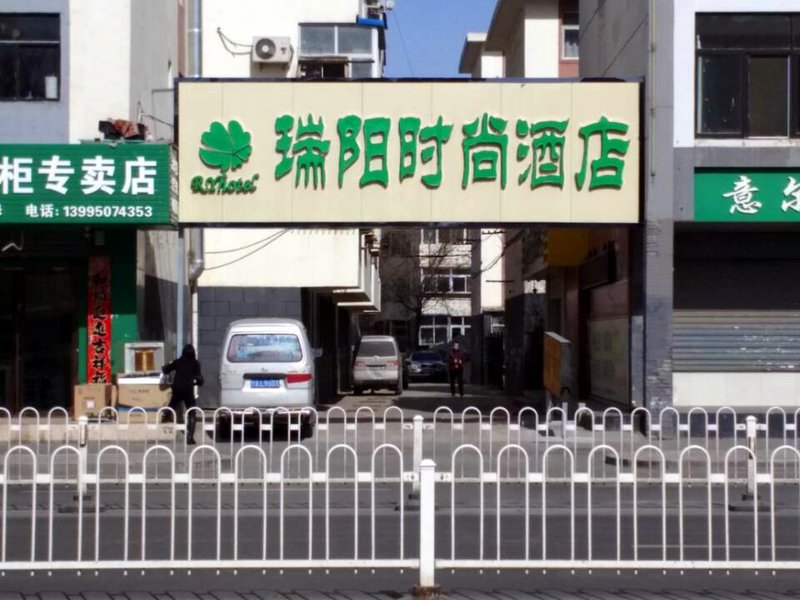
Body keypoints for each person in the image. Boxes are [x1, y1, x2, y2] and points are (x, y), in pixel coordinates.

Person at [162, 344, 204, 445]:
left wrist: (169, 365)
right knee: (192, 411)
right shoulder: (196, 364)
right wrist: (196, 382)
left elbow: (165, 369)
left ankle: (164, 418)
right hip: (188, 389)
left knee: (172, 404)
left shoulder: (178, 362)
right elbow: (199, 380)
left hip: (177, 388)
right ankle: (190, 437)